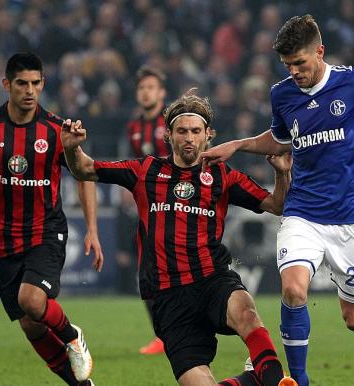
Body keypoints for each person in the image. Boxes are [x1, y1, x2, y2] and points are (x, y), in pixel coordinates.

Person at [201, 15, 354, 386]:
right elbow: (280, 139)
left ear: (319, 52)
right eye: (288, 65)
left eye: (300, 63)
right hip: (303, 211)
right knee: (293, 290)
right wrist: (239, 145)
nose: (294, 72)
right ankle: (299, 380)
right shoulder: (283, 95)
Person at [61, 90, 297, 386]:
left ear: (208, 135)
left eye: (196, 131)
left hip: (212, 279)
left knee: (247, 312)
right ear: (168, 135)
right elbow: (84, 168)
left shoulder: (223, 176)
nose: (189, 138)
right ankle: (255, 379)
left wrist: (282, 175)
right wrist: (71, 149)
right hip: (168, 297)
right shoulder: (146, 171)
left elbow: (276, 205)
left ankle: (275, 380)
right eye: (182, 131)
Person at [0, 52, 101, 386]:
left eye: (35, 83)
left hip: (45, 231)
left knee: (32, 299)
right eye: (21, 83)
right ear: (7, 84)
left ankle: (72, 335)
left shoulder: (56, 129)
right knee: (30, 324)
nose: (29, 90)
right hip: (2, 237)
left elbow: (85, 174)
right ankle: (81, 385)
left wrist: (92, 229)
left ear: (43, 84)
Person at [126, 65, 170, 354]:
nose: (146, 92)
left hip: (178, 206)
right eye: (142, 88)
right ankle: (162, 336)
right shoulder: (133, 128)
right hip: (147, 211)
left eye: (151, 87)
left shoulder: (173, 122)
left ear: (162, 93)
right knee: (148, 275)